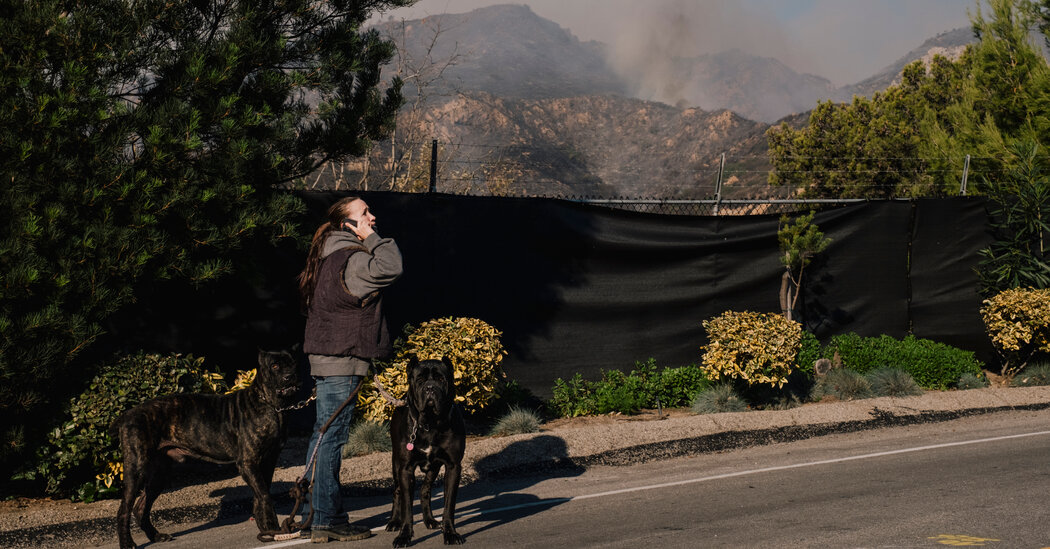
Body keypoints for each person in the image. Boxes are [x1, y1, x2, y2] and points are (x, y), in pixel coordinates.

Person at [297, 196, 402, 542]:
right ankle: (326, 519)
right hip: (341, 359)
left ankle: (316, 514)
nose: (372, 217)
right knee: (332, 437)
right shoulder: (353, 259)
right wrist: (370, 238)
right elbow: (391, 266)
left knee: (323, 434)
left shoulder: (326, 256)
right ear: (347, 224)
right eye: (364, 214)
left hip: (327, 358)